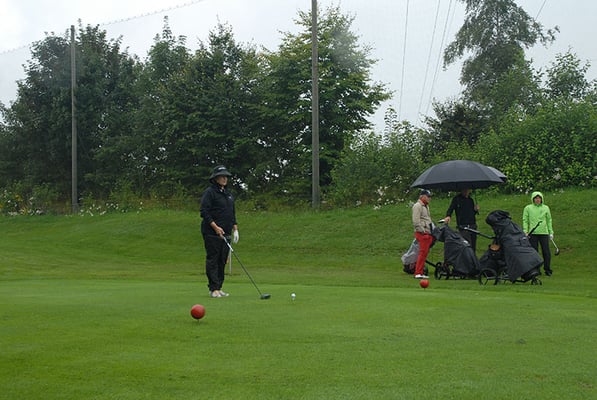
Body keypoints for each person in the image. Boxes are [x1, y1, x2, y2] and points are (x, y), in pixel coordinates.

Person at [200, 165, 239, 297]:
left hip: (226, 232)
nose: (224, 179)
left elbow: (231, 213)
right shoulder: (210, 192)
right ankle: (213, 288)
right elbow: (204, 212)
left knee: (222, 260)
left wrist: (235, 229)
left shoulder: (228, 194)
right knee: (213, 259)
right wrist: (215, 227)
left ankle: (219, 287)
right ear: (215, 178)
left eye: (226, 177)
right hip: (212, 232)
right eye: (222, 176)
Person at [522, 191, 554, 276]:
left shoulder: (546, 208)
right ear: (533, 199)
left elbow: (549, 220)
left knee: (546, 252)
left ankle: (547, 269)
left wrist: (551, 232)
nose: (537, 199)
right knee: (534, 252)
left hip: (544, 232)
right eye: (536, 198)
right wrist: (525, 231)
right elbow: (525, 220)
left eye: (539, 198)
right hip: (533, 233)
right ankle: (536, 270)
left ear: (541, 199)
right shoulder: (528, 208)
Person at [443, 188, 480, 253]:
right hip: (463, 225)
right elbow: (451, 208)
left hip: (472, 225)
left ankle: (473, 258)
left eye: (467, 190)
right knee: (467, 245)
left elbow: (471, 213)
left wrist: (475, 210)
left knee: (473, 246)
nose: (466, 192)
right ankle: (467, 257)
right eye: (464, 190)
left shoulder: (470, 200)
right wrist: (448, 216)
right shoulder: (457, 199)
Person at [412, 189, 433, 279]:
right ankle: (418, 272)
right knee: (422, 252)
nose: (429, 198)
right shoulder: (417, 206)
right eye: (428, 196)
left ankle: (420, 272)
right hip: (422, 233)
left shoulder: (425, 206)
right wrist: (423, 231)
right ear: (422, 196)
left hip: (427, 232)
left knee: (424, 253)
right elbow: (416, 221)